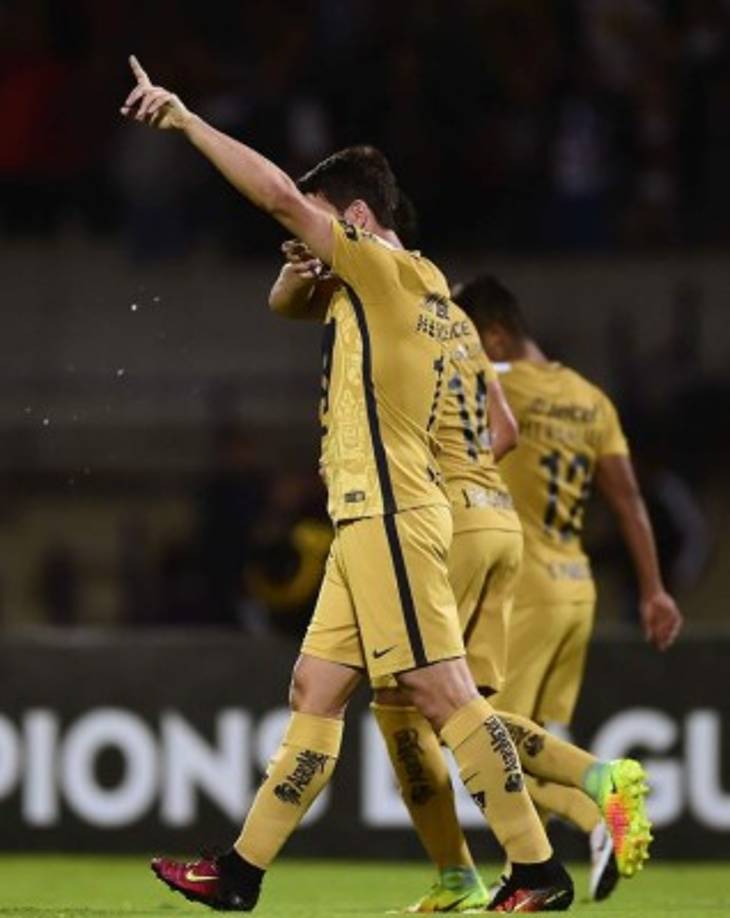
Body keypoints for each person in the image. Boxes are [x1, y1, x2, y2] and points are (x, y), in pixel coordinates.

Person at [121, 56, 574, 913]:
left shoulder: (384, 273)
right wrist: (305, 263)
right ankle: (241, 872)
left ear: (359, 219)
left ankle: (536, 870)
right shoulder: (426, 287)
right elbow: (284, 305)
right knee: (314, 689)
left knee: (443, 695)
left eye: (328, 225)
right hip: (372, 515)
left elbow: (277, 199)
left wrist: (183, 120)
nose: (316, 237)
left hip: (394, 513)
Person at [270, 214, 652, 910]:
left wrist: (425, 483)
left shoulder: (397, 316)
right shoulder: (489, 343)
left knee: (431, 703)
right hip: (516, 537)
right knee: (452, 704)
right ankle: (500, 856)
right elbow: (505, 433)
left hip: (440, 521)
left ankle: (564, 810)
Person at [455, 274, 683, 899]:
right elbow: (630, 499)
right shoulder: (590, 398)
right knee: (534, 749)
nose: (460, 348)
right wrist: (654, 590)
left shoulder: (497, 390)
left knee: (490, 741)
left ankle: (594, 816)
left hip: (525, 590)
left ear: (495, 334)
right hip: (578, 588)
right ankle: (530, 876)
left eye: (468, 336)